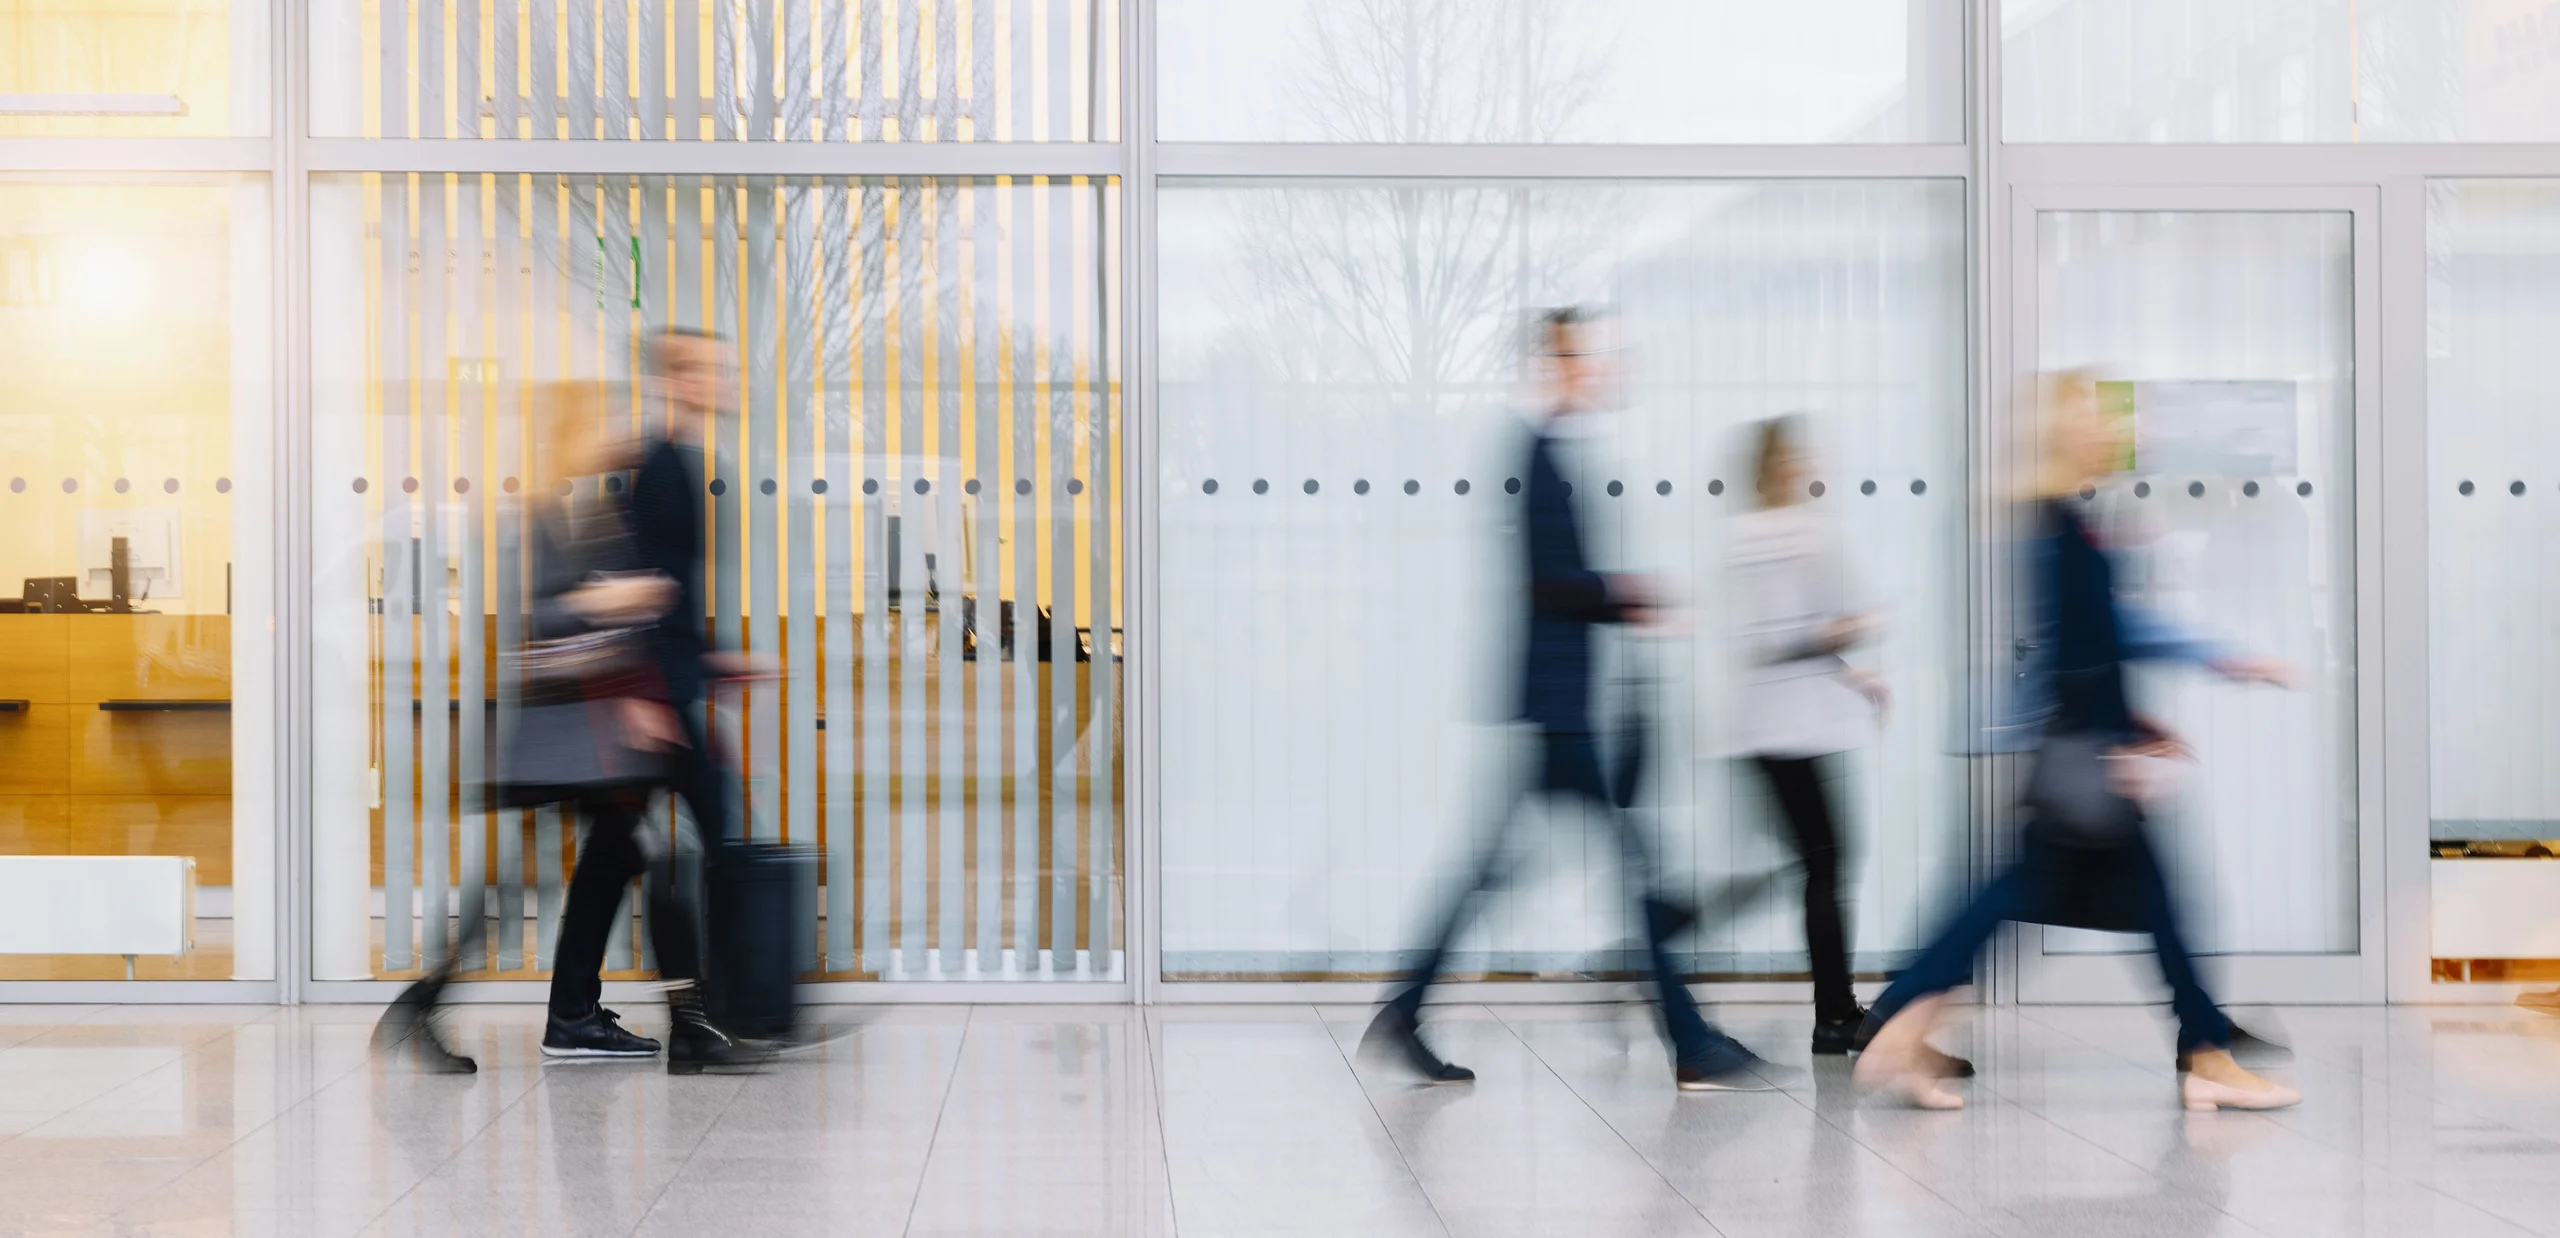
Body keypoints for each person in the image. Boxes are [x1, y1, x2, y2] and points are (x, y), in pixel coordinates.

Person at [1852, 371, 2299, 1111]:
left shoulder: (2060, 518)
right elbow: (2084, 647)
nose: (2118, 431)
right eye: (2096, 418)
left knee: (2112, 899)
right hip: (2087, 754)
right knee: (2087, 899)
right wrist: (2134, 720)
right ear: (2064, 433)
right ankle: (2205, 1057)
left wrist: (2142, 716)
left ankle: (1905, 1022)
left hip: (2082, 745)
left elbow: (2089, 639)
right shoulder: (2056, 525)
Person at [1365, 307, 1772, 1093]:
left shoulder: (1548, 451)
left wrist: (1618, 600)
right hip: (1559, 708)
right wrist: (1627, 594)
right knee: (1635, 870)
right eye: (1585, 355)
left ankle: (1407, 1008)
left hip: (1557, 706)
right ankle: (1691, 1041)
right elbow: (1548, 582)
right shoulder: (1539, 453)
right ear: (1552, 364)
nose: (1601, 367)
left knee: (1505, 871)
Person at [1726, 415, 1889, 1055]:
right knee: (1826, 862)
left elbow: (1773, 638)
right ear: (1783, 466)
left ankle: (1835, 1010)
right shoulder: (1805, 534)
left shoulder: (1741, 536)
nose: (1811, 465)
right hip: (1791, 728)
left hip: (1759, 727)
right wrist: (1857, 632)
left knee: (1815, 861)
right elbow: (1808, 631)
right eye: (1800, 457)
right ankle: (1835, 1014)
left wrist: (1848, 669)